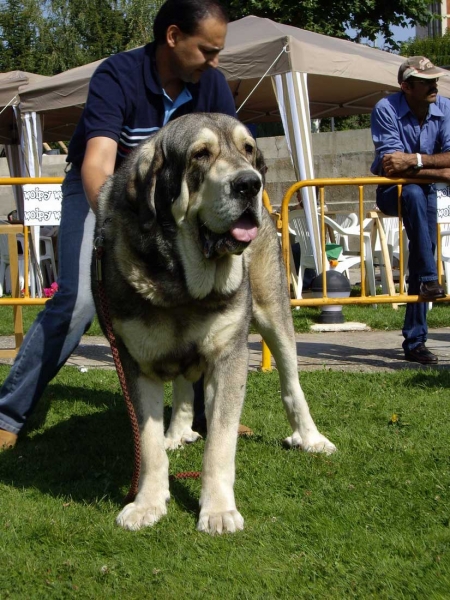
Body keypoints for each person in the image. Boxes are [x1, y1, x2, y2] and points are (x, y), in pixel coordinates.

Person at [0, 0, 253, 450]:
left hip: (177, 204)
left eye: (218, 52)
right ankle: (8, 416)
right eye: (207, 50)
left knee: (205, 295)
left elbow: (233, 158)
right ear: (172, 37)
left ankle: (208, 415)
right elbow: (97, 163)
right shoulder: (117, 75)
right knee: (77, 303)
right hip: (105, 193)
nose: (216, 62)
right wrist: (112, 228)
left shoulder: (210, 84)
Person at [371, 56, 450, 364]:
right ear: (405, 87)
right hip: (392, 192)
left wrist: (414, 161)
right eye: (425, 81)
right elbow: (391, 166)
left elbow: (407, 163)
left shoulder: (445, 107)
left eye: (435, 79)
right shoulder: (386, 108)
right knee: (413, 193)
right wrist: (439, 169)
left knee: (422, 248)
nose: (434, 85)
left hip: (425, 190)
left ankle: (416, 341)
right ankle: (430, 280)